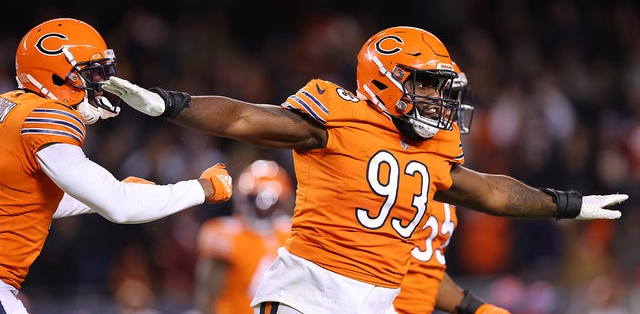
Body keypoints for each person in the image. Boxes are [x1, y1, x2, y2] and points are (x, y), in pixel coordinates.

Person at [102, 26, 628, 314]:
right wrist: (170, 104)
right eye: (426, 84)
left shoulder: (436, 147)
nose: (439, 100)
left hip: (375, 305)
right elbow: (243, 116)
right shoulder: (337, 119)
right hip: (306, 297)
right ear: (385, 80)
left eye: (443, 88)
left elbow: (489, 192)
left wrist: (567, 203)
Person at [0, 18, 233, 314]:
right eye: (89, 74)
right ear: (56, 76)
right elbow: (119, 207)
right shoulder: (46, 117)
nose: (98, 84)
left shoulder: (10, 107)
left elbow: (26, 202)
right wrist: (203, 188)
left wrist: (102, 197)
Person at [393, 64, 509, 314]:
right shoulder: (389, 164)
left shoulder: (438, 166)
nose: (441, 103)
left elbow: (422, 271)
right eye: (428, 87)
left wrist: (476, 308)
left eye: (445, 93)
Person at [194, 159, 293, 314]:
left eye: (270, 201)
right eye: (255, 199)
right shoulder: (225, 233)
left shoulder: (290, 233)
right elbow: (208, 293)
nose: (262, 208)